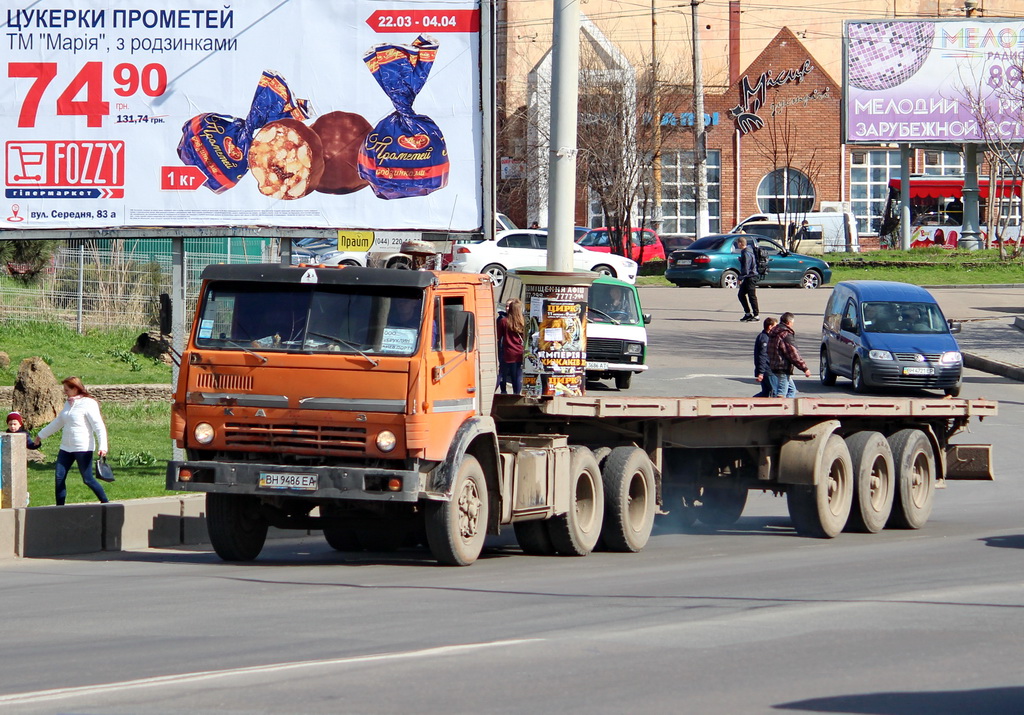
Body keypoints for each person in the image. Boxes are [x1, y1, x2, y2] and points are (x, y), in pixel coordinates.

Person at [36, 377, 110, 505]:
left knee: (87, 479)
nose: (65, 392)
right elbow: (58, 422)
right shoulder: (68, 404)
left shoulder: (88, 403)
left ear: (75, 388)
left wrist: (103, 446)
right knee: (59, 477)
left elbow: (98, 426)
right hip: (66, 447)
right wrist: (40, 435)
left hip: (83, 447)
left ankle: (106, 503)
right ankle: (60, 508)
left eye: (67, 389)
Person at [768, 312, 811, 398]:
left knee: (791, 390)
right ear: (788, 322)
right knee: (782, 393)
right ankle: (781, 409)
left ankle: (788, 408)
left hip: (775, 365)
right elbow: (793, 353)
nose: (792, 325)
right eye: (792, 323)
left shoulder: (774, 332)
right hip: (782, 367)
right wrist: (804, 368)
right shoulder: (785, 334)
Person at [496, 298, 525, 394]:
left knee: (502, 373)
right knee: (518, 375)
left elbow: (498, 336)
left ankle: (501, 391)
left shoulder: (504, 321)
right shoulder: (524, 321)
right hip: (520, 351)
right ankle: (516, 394)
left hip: (508, 352)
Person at [736, 236, 760, 322]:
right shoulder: (748, 250)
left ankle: (756, 315)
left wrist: (740, 278)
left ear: (740, 243)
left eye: (737, 243)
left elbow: (746, 268)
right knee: (741, 295)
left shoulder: (746, 252)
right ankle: (747, 314)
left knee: (752, 296)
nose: (737, 245)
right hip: (748, 277)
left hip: (751, 276)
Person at [754, 317, 779, 397]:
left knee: (765, 392)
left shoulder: (767, 337)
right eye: (776, 326)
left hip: (766, 370)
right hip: (768, 370)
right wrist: (761, 372)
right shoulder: (764, 338)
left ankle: (750, 404)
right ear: (770, 327)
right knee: (775, 391)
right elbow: (762, 355)